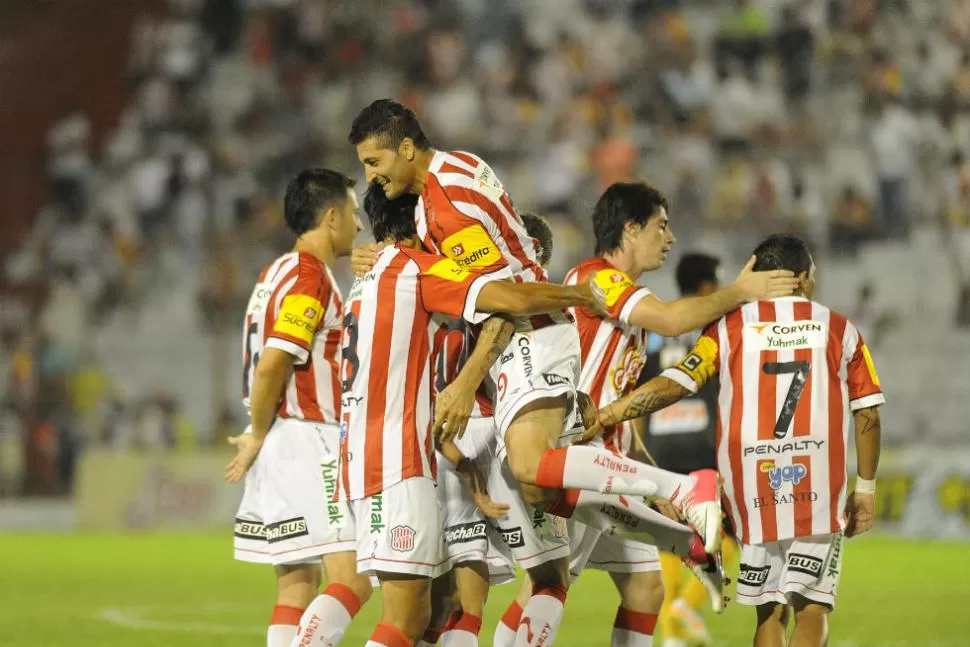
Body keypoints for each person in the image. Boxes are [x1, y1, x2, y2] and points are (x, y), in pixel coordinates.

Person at [347, 99, 792, 563]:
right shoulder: (456, 173)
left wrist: (463, 384)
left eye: (374, 163)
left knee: (529, 469)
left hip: (528, 332)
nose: (371, 176)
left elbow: (503, 299)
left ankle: (683, 488)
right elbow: (486, 279)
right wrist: (391, 256)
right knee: (538, 488)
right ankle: (681, 539)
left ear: (406, 147)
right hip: (530, 338)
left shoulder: (447, 207)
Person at [497, 182, 797, 647]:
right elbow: (675, 320)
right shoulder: (596, 280)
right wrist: (740, 291)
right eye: (662, 226)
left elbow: (623, 419)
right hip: (570, 455)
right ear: (631, 229)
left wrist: (648, 481)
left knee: (645, 587)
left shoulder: (626, 309)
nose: (671, 237)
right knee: (546, 584)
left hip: (604, 459)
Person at [337, 185, 603, 647]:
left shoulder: (372, 275)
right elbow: (510, 301)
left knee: (435, 607)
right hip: (436, 447)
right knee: (534, 582)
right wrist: (579, 295)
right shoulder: (423, 270)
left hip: (407, 450)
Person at [588, 235, 885, 647]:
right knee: (811, 606)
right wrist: (866, 488)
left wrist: (611, 412)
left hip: (754, 486)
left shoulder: (729, 329)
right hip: (815, 483)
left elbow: (677, 382)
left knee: (770, 610)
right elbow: (867, 410)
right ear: (800, 278)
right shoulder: (839, 328)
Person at [224, 168, 372, 647]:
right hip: (306, 437)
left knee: (297, 586)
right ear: (331, 216)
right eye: (353, 213)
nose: (360, 225)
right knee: (353, 579)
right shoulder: (309, 278)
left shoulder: (275, 272)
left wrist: (259, 431)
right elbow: (272, 365)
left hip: (281, 439)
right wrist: (258, 433)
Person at [636, 252, 738, 647]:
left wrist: (643, 454)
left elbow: (641, 395)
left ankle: (671, 637)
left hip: (661, 448)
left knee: (669, 540)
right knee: (726, 537)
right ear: (708, 285)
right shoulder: (714, 327)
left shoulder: (660, 325)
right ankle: (686, 608)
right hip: (701, 445)